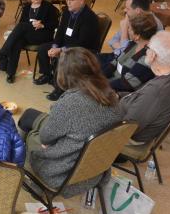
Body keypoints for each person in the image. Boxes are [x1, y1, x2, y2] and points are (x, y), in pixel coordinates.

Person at [18, 47, 121, 197]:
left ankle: (23, 172)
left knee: (31, 133)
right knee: (32, 118)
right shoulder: (111, 95)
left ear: (65, 74)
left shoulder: (70, 102)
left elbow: (45, 137)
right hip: (94, 170)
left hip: (61, 174)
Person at [120, 31, 170, 145]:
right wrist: (118, 96)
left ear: (153, 55)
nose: (145, 51)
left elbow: (126, 129)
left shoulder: (156, 92)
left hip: (125, 137)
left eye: (147, 48)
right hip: (130, 114)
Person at [34, 0, 100, 101]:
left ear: (82, 1)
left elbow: (82, 42)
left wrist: (60, 50)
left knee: (63, 56)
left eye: (72, 0)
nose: (68, 2)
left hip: (84, 49)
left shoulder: (89, 17)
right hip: (66, 44)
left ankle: (60, 89)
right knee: (43, 48)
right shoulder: (67, 13)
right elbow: (59, 32)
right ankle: (47, 75)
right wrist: (55, 46)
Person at [0, 0, 59, 83]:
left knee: (21, 27)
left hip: (43, 35)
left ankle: (3, 52)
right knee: (17, 42)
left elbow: (55, 23)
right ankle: (10, 73)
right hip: (29, 35)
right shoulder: (27, 7)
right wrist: (31, 24)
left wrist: (42, 25)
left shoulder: (48, 6)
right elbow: (22, 23)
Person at [102, 13, 157, 92]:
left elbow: (127, 83)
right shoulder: (133, 44)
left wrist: (101, 85)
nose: (128, 30)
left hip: (121, 93)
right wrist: (98, 77)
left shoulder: (147, 57)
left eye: (130, 29)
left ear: (137, 35)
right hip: (112, 83)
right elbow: (115, 63)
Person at [103, 0, 164, 65]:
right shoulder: (131, 17)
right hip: (118, 57)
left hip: (128, 63)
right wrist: (122, 48)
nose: (124, 10)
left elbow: (124, 55)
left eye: (127, 8)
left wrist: (124, 29)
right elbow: (113, 41)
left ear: (138, 11)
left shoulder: (151, 25)